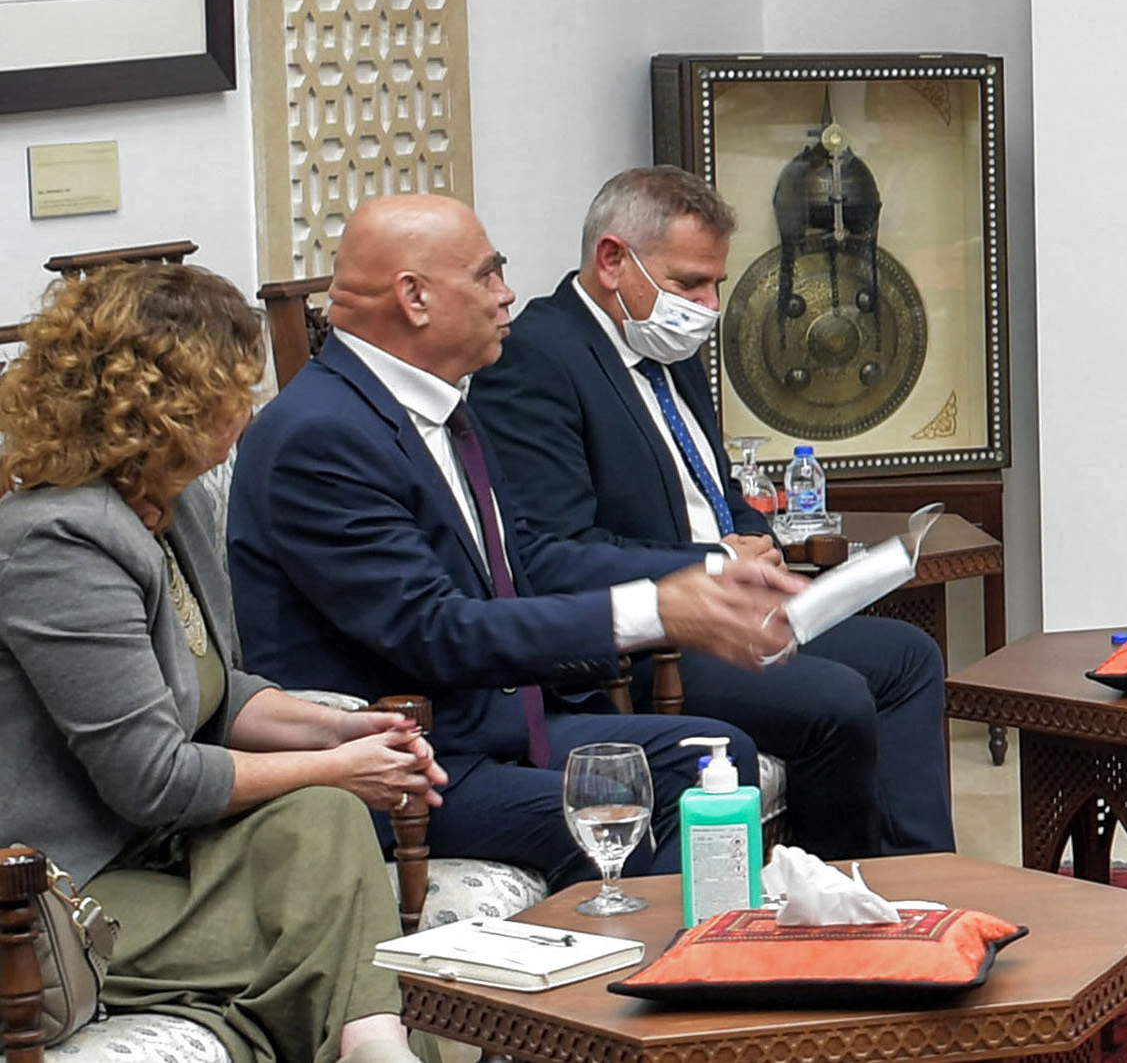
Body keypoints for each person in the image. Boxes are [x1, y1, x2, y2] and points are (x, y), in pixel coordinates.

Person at [228, 193, 808, 888]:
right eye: (486, 274)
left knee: (712, 756)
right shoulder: (319, 435)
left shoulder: (441, 404)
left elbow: (523, 556)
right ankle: (635, 980)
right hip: (411, 767)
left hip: (496, 730)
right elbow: (433, 627)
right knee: (619, 814)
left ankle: (696, 964)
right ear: (414, 297)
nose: (507, 294)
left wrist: (699, 574)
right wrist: (657, 612)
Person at [0, 262, 447, 1063]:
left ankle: (370, 1042)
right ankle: (378, 1044)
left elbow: (217, 689)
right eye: (236, 387)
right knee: (338, 940)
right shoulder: (54, 540)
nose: (252, 408)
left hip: (163, 850)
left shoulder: (179, 500)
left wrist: (342, 727)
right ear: (168, 405)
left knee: (323, 819)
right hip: (54, 893)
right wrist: (337, 765)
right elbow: (153, 778)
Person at [469, 165, 954, 857]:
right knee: (835, 698)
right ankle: (837, 906)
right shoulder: (537, 359)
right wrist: (713, 563)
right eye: (690, 283)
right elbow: (549, 552)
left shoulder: (666, 343)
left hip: (734, 608)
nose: (710, 304)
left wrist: (755, 545)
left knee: (909, 656)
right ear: (613, 260)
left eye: (717, 283)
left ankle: (923, 881)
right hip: (650, 643)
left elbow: (721, 488)